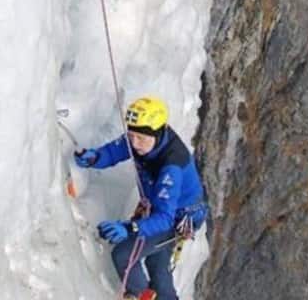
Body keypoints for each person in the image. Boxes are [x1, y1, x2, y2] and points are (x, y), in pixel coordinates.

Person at [74, 96, 208, 300]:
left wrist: (130, 228)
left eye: (141, 139)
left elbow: (165, 218)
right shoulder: (146, 138)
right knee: (157, 265)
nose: (135, 144)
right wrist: (95, 157)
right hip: (165, 208)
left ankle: (140, 295)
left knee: (124, 254)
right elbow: (116, 150)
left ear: (157, 133)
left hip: (177, 217)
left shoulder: (171, 167)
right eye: (131, 135)